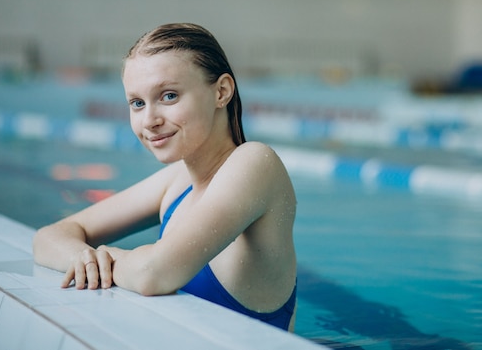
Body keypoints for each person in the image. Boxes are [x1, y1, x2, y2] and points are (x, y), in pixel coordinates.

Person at [33, 23, 298, 331]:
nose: (150, 120)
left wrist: (106, 256)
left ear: (221, 92)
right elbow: (48, 237)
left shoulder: (255, 162)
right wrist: (85, 259)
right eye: (137, 103)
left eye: (169, 96)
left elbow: (152, 274)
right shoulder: (177, 182)